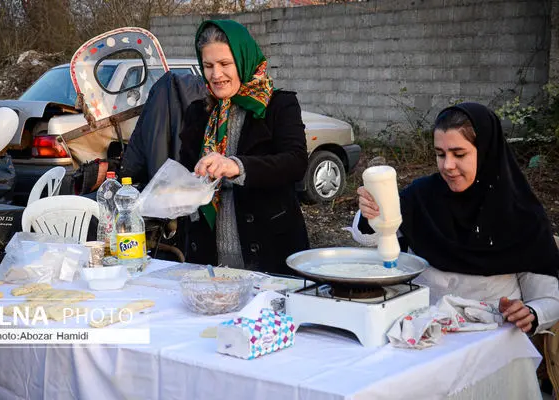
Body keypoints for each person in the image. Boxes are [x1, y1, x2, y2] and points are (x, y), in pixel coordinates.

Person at [357, 102, 559, 335]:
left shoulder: (520, 215)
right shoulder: (421, 196)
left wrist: (530, 313)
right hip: (420, 330)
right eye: (440, 154)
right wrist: (371, 212)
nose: (448, 165)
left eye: (459, 154)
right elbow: (372, 238)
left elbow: (549, 299)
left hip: (488, 338)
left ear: (485, 152)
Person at [178, 20, 310, 274]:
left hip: (270, 255)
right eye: (208, 66)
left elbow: (295, 162)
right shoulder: (198, 112)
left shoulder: (278, 106)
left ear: (243, 59)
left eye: (225, 64)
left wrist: (235, 166)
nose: (216, 75)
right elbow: (186, 169)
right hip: (209, 257)